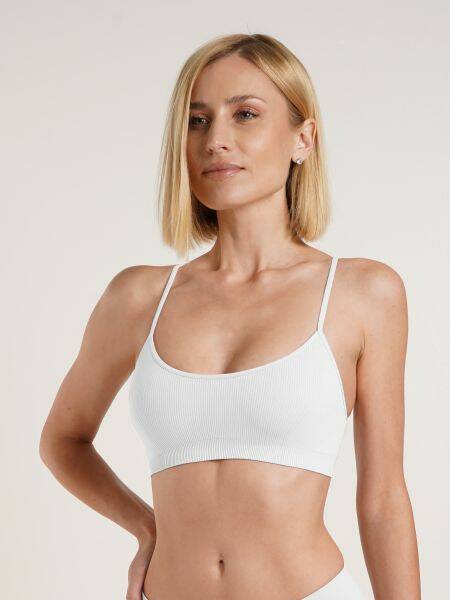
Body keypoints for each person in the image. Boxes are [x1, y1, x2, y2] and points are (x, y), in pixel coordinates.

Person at [39, 33, 421, 599]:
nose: (216, 140)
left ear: (303, 139)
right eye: (197, 121)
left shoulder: (362, 292)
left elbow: (383, 497)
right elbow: (63, 440)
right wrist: (146, 526)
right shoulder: (139, 297)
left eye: (245, 115)